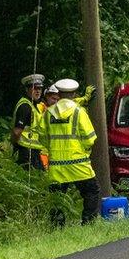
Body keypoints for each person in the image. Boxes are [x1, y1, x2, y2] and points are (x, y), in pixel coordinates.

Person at [34, 78, 100, 224]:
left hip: (57, 165)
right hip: (79, 164)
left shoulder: (48, 113)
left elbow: (42, 138)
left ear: (59, 94)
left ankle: (57, 226)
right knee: (91, 191)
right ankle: (88, 223)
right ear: (75, 93)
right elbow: (90, 138)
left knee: (57, 198)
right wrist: (84, 151)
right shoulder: (79, 112)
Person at [11, 74, 45, 170]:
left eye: (40, 88)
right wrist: (14, 147)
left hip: (33, 150)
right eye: (35, 88)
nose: (38, 91)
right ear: (27, 89)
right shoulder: (25, 106)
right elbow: (16, 131)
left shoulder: (34, 106)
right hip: (25, 151)